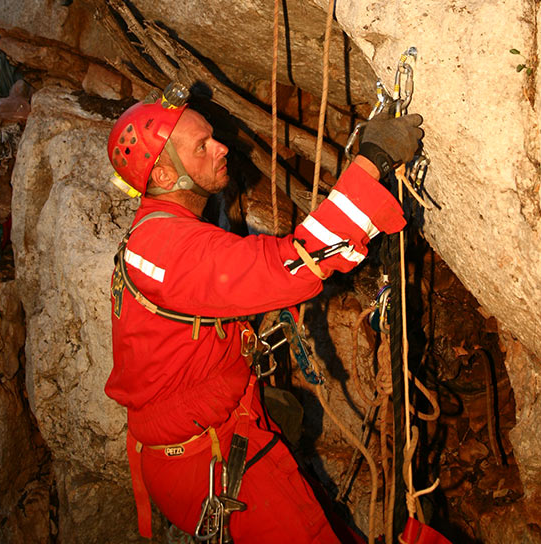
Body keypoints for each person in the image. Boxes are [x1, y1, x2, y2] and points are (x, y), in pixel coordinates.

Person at [104, 82, 423, 543]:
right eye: (201, 146)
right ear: (168, 177)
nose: (220, 147)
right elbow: (293, 262)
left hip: (194, 441)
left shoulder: (153, 229)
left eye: (212, 135)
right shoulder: (175, 250)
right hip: (210, 461)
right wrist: (372, 162)